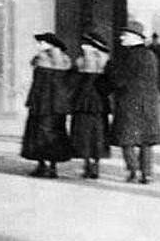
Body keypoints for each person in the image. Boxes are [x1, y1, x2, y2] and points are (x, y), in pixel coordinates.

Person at [106, 20, 160, 184]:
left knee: (127, 140)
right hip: (148, 104)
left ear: (135, 37)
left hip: (129, 103)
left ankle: (133, 171)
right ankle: (147, 174)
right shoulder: (151, 55)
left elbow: (119, 80)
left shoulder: (127, 56)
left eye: (125, 35)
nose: (122, 38)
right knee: (146, 140)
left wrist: (109, 72)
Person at [20, 32, 74, 178]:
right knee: (56, 132)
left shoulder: (42, 60)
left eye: (41, 43)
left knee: (39, 133)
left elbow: (38, 85)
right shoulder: (65, 61)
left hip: (41, 103)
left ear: (50, 44)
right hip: (58, 104)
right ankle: (52, 167)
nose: (39, 45)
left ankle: (42, 165)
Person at [69, 32, 111, 179]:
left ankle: (89, 163)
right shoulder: (105, 62)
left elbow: (75, 81)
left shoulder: (83, 61)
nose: (82, 46)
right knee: (96, 133)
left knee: (86, 133)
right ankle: (94, 163)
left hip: (85, 102)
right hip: (98, 103)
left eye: (86, 44)